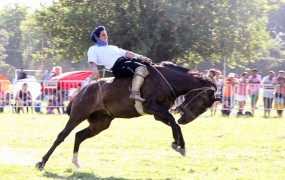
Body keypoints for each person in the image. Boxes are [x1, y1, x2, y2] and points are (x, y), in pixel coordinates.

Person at [87, 26, 151, 102]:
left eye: (106, 34)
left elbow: (127, 53)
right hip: (117, 67)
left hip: (125, 62)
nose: (106, 36)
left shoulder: (112, 47)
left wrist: (141, 57)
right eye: (103, 35)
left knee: (148, 66)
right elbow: (92, 62)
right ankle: (134, 93)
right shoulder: (93, 49)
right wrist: (94, 70)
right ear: (97, 38)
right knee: (141, 68)